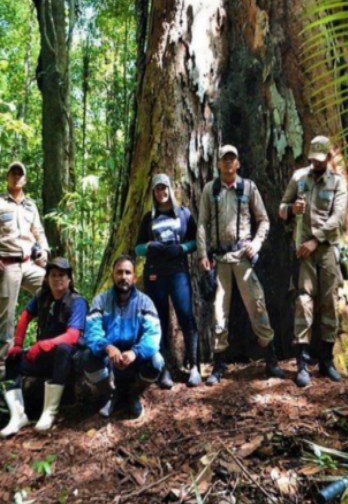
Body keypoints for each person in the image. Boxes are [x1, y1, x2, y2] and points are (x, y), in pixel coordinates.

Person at [197, 145, 284, 385]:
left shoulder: (248, 188)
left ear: (238, 163)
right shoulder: (210, 190)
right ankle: (218, 364)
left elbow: (263, 219)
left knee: (257, 305)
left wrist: (256, 243)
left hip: (244, 258)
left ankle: (270, 357)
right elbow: (202, 223)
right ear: (218, 164)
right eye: (224, 159)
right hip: (219, 260)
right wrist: (203, 253)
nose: (228, 163)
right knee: (218, 312)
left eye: (232, 159)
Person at [279, 135, 348, 388]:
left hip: (326, 249)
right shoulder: (299, 178)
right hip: (302, 252)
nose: (315, 164)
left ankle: (327, 360)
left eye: (320, 160)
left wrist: (315, 240)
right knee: (304, 302)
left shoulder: (338, 183)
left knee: (329, 301)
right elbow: (281, 207)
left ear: (329, 158)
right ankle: (302, 362)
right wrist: (290, 211)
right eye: (312, 160)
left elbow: (338, 218)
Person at [1, 257, 87, 436]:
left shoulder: (76, 301)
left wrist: (42, 345)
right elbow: (25, 316)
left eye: (62, 275)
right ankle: (17, 415)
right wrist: (17, 344)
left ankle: (50, 412)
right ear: (47, 278)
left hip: (68, 361)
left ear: (69, 279)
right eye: (53, 275)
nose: (57, 279)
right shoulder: (42, 295)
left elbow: (72, 336)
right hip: (45, 355)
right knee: (12, 359)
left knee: (64, 349)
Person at [135, 174, 200, 388]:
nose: (161, 193)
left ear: (170, 189)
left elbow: (195, 240)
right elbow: (138, 248)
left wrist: (181, 248)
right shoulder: (148, 218)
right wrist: (149, 247)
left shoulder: (183, 214)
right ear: (153, 192)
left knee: (186, 316)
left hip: (178, 270)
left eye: (164, 188)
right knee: (158, 319)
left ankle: (195, 367)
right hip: (155, 273)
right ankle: (163, 371)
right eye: (157, 189)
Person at [83, 255, 163, 418]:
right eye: (119, 272)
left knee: (157, 362)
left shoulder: (145, 302)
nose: (123, 277)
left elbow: (153, 335)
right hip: (108, 360)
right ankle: (111, 393)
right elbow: (91, 331)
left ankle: (133, 393)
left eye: (128, 273)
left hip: (135, 359)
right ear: (113, 275)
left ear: (134, 276)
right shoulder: (101, 300)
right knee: (86, 358)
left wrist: (135, 352)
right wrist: (107, 347)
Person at [0, 161, 50, 372]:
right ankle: (4, 364)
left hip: (30, 263)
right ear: (7, 178)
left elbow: (38, 231)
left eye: (20, 174)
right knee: (6, 315)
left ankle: (47, 345)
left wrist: (45, 253)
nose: (17, 177)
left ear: (25, 180)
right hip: (8, 264)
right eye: (13, 173)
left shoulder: (31, 205)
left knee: (50, 291)